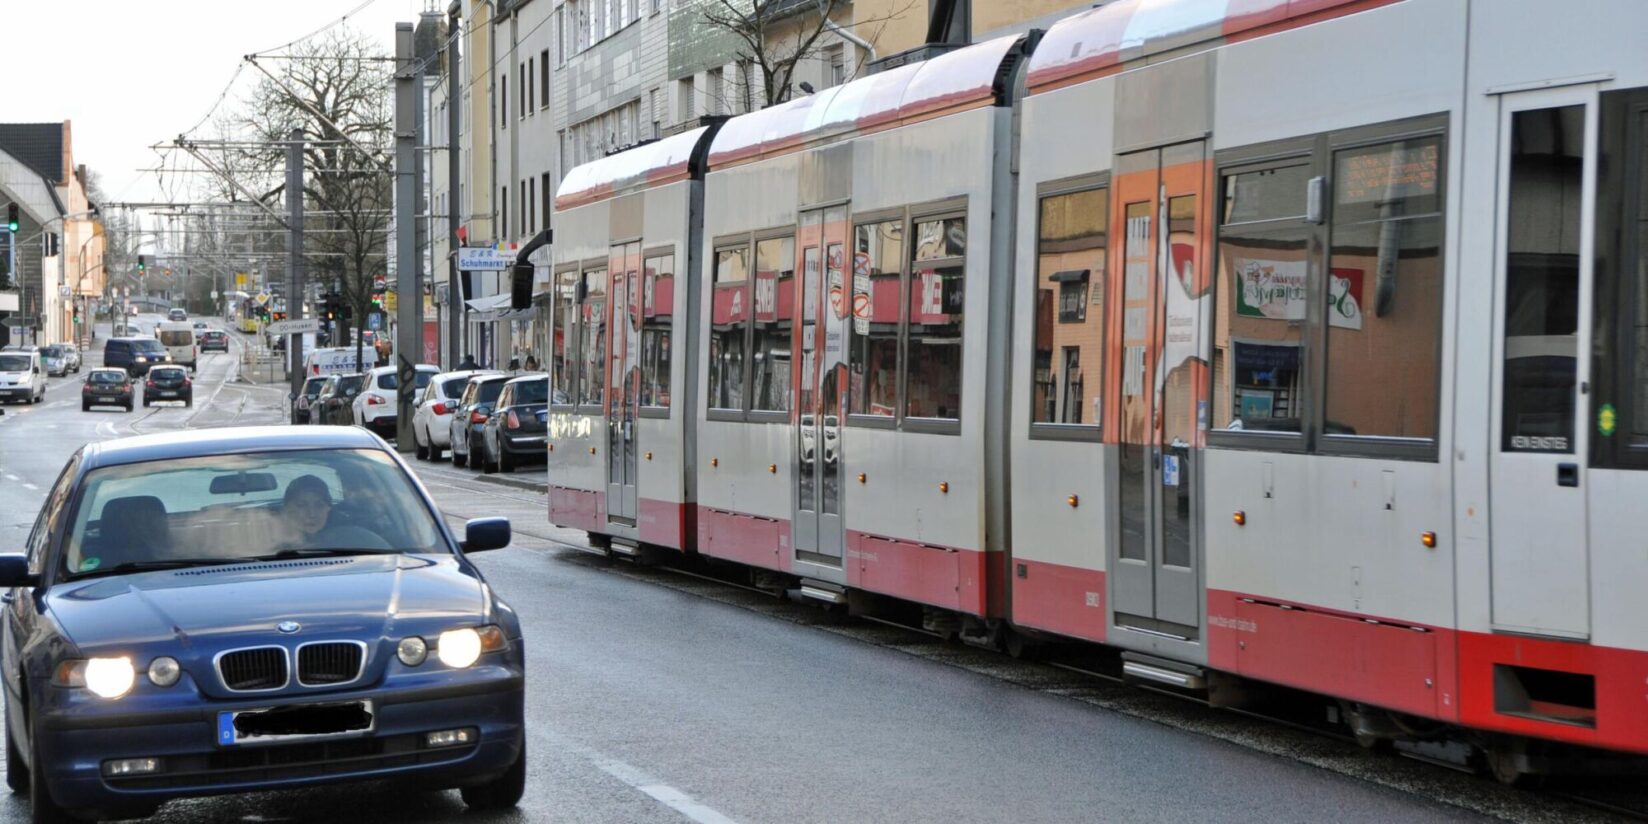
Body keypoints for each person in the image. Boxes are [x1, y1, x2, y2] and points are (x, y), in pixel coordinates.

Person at [280, 475, 390, 550]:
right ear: (287, 509)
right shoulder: (270, 542)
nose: (312, 513)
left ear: (329, 509)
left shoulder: (355, 538)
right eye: (302, 505)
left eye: (319, 505)